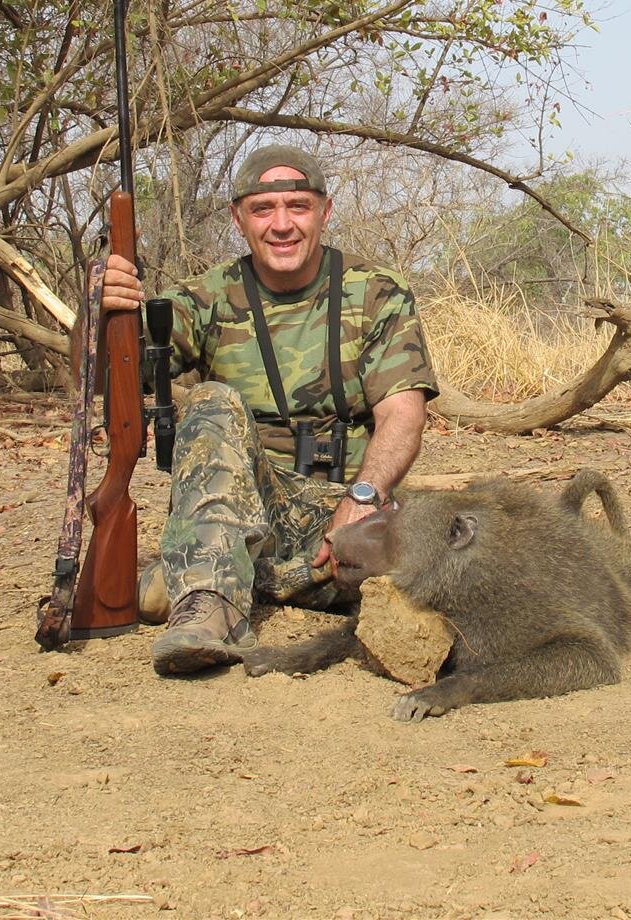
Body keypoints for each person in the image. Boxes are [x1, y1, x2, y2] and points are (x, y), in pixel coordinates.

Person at [100, 144, 438, 675]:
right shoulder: (205, 298)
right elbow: (109, 373)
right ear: (239, 219)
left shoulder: (377, 292)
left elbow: (403, 411)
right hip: (239, 512)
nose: (282, 225)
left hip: (343, 518)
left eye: (297, 206)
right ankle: (212, 605)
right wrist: (99, 313)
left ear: (324, 212)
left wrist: (363, 497)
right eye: (264, 209)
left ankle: (223, 577)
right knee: (210, 398)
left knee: (441, 570)